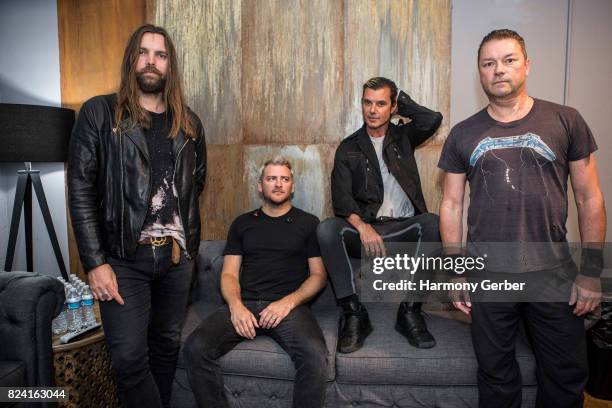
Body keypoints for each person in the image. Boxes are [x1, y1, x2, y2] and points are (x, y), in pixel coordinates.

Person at [438, 29, 606, 408]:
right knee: (496, 377)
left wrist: (591, 270)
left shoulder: (566, 120)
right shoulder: (463, 134)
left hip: (553, 272)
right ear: (479, 73)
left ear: (526, 66)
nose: (499, 70)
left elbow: (589, 197)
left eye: (509, 60)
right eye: (488, 63)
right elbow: (450, 205)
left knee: (564, 376)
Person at [68, 24, 206, 408]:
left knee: (165, 347)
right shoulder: (99, 113)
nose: (151, 61)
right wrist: (95, 262)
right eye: (143, 52)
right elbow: (80, 190)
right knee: (129, 358)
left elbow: (196, 183)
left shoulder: (190, 124)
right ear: (132, 59)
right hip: (124, 259)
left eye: (160, 55)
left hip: (177, 260)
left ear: (170, 65)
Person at [183, 157, 328, 408]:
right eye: (271, 178)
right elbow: (228, 274)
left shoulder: (309, 223)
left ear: (292, 186)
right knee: (195, 347)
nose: (278, 184)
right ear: (260, 186)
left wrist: (287, 303)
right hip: (246, 303)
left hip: (289, 309)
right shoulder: (242, 223)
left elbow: (318, 276)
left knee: (315, 355)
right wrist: (236, 306)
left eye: (284, 179)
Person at [317, 77, 443, 352]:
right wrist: (362, 227)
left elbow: (432, 119)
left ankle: (410, 311)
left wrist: (404, 105)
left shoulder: (404, 137)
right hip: (368, 231)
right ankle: (353, 314)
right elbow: (341, 199)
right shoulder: (348, 148)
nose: (372, 110)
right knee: (326, 229)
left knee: (432, 222)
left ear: (392, 106)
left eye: (381, 103)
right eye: (367, 102)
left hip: (405, 229)